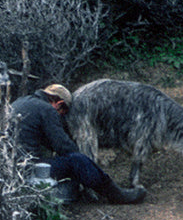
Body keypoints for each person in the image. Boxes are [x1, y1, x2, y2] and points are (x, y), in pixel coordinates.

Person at [10, 83, 147, 205]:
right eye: (62, 114)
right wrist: (83, 159)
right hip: (30, 170)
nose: (62, 118)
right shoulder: (47, 109)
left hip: (11, 170)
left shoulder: (21, 102)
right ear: (59, 103)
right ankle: (117, 194)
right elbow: (63, 146)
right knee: (78, 160)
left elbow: (44, 140)